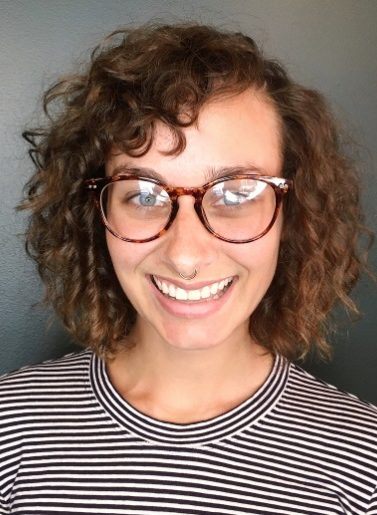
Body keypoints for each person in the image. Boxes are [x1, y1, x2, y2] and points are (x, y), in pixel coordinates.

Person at [0, 22, 376, 515]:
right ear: (97, 214)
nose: (186, 255)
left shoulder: (363, 463)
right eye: (144, 195)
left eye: (238, 193)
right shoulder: (11, 428)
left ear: (294, 214)